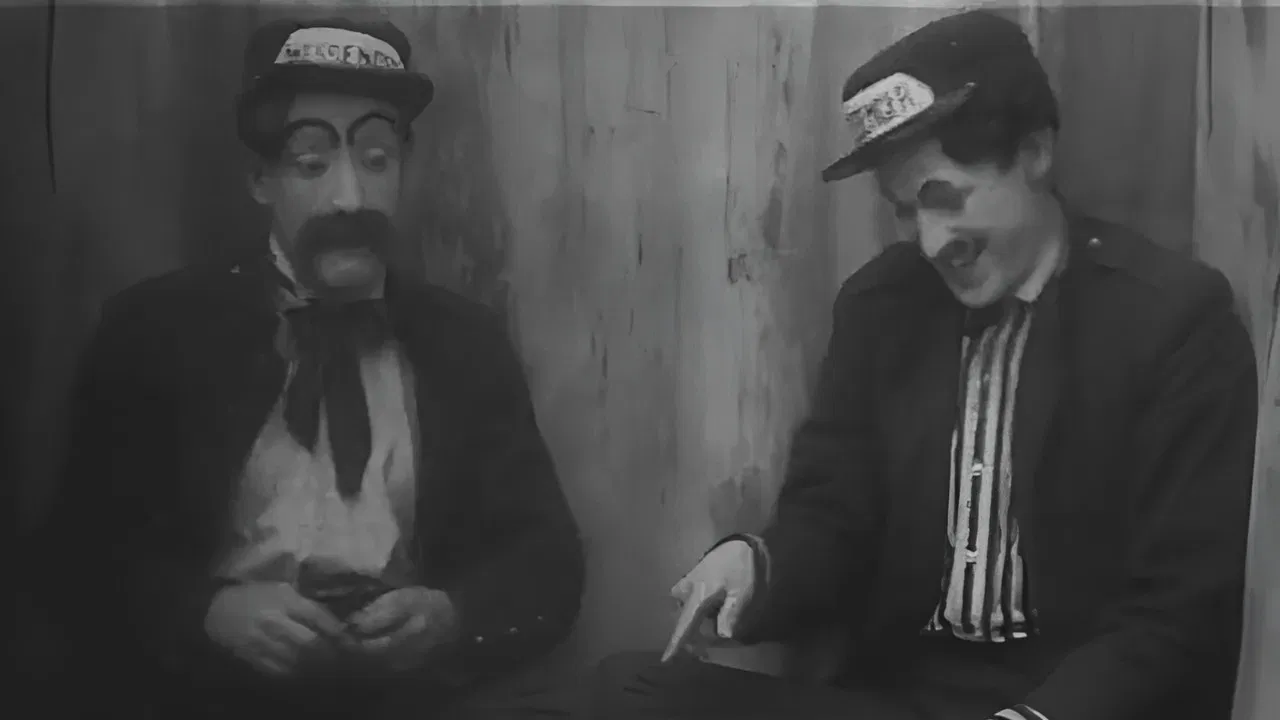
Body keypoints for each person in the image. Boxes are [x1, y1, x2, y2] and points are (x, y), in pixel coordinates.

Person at [591, 10, 1257, 720]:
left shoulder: (1171, 320)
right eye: (905, 211)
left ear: (1034, 153)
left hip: (1065, 703)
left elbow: (1176, 611)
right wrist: (759, 565)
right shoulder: (880, 306)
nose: (932, 241)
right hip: (901, 697)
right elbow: (832, 515)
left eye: (946, 198)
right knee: (627, 691)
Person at [34, 16, 584, 719]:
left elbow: (546, 562)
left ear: (405, 168)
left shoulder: (464, 344)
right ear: (260, 178)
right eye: (311, 162)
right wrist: (206, 612)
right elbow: (72, 559)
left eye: (376, 159)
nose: (349, 197)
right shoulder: (157, 332)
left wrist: (454, 613)